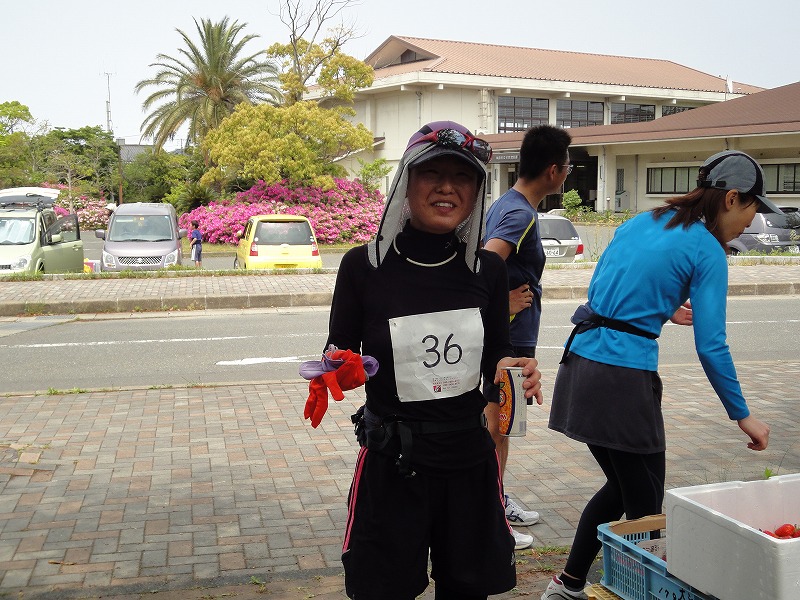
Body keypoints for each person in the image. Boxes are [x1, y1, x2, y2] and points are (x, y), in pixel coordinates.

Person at [304, 121, 543, 600]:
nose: (447, 187)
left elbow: (496, 352)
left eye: (463, 176)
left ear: (477, 192)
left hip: (469, 458)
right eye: (433, 173)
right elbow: (338, 350)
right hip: (393, 460)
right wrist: (336, 369)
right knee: (381, 590)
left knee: (468, 589)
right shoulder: (363, 267)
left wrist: (514, 369)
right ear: (406, 183)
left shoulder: (488, 270)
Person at [541, 150, 773, 600]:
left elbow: (606, 288)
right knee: (645, 507)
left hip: (581, 365)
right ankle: (637, 590)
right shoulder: (707, 249)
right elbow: (712, 345)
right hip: (623, 378)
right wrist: (742, 414)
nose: (751, 222)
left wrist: (661, 308)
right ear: (731, 198)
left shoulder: (643, 221)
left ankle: (567, 584)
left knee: (625, 490)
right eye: (752, 209)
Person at [482, 124, 572, 550]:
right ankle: (490, 516)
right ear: (554, 170)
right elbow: (484, 264)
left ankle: (496, 499)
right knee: (497, 429)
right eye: (568, 166)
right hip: (510, 343)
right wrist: (503, 303)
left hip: (511, 338)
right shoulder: (520, 214)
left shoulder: (507, 202)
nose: (568, 173)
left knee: (500, 426)